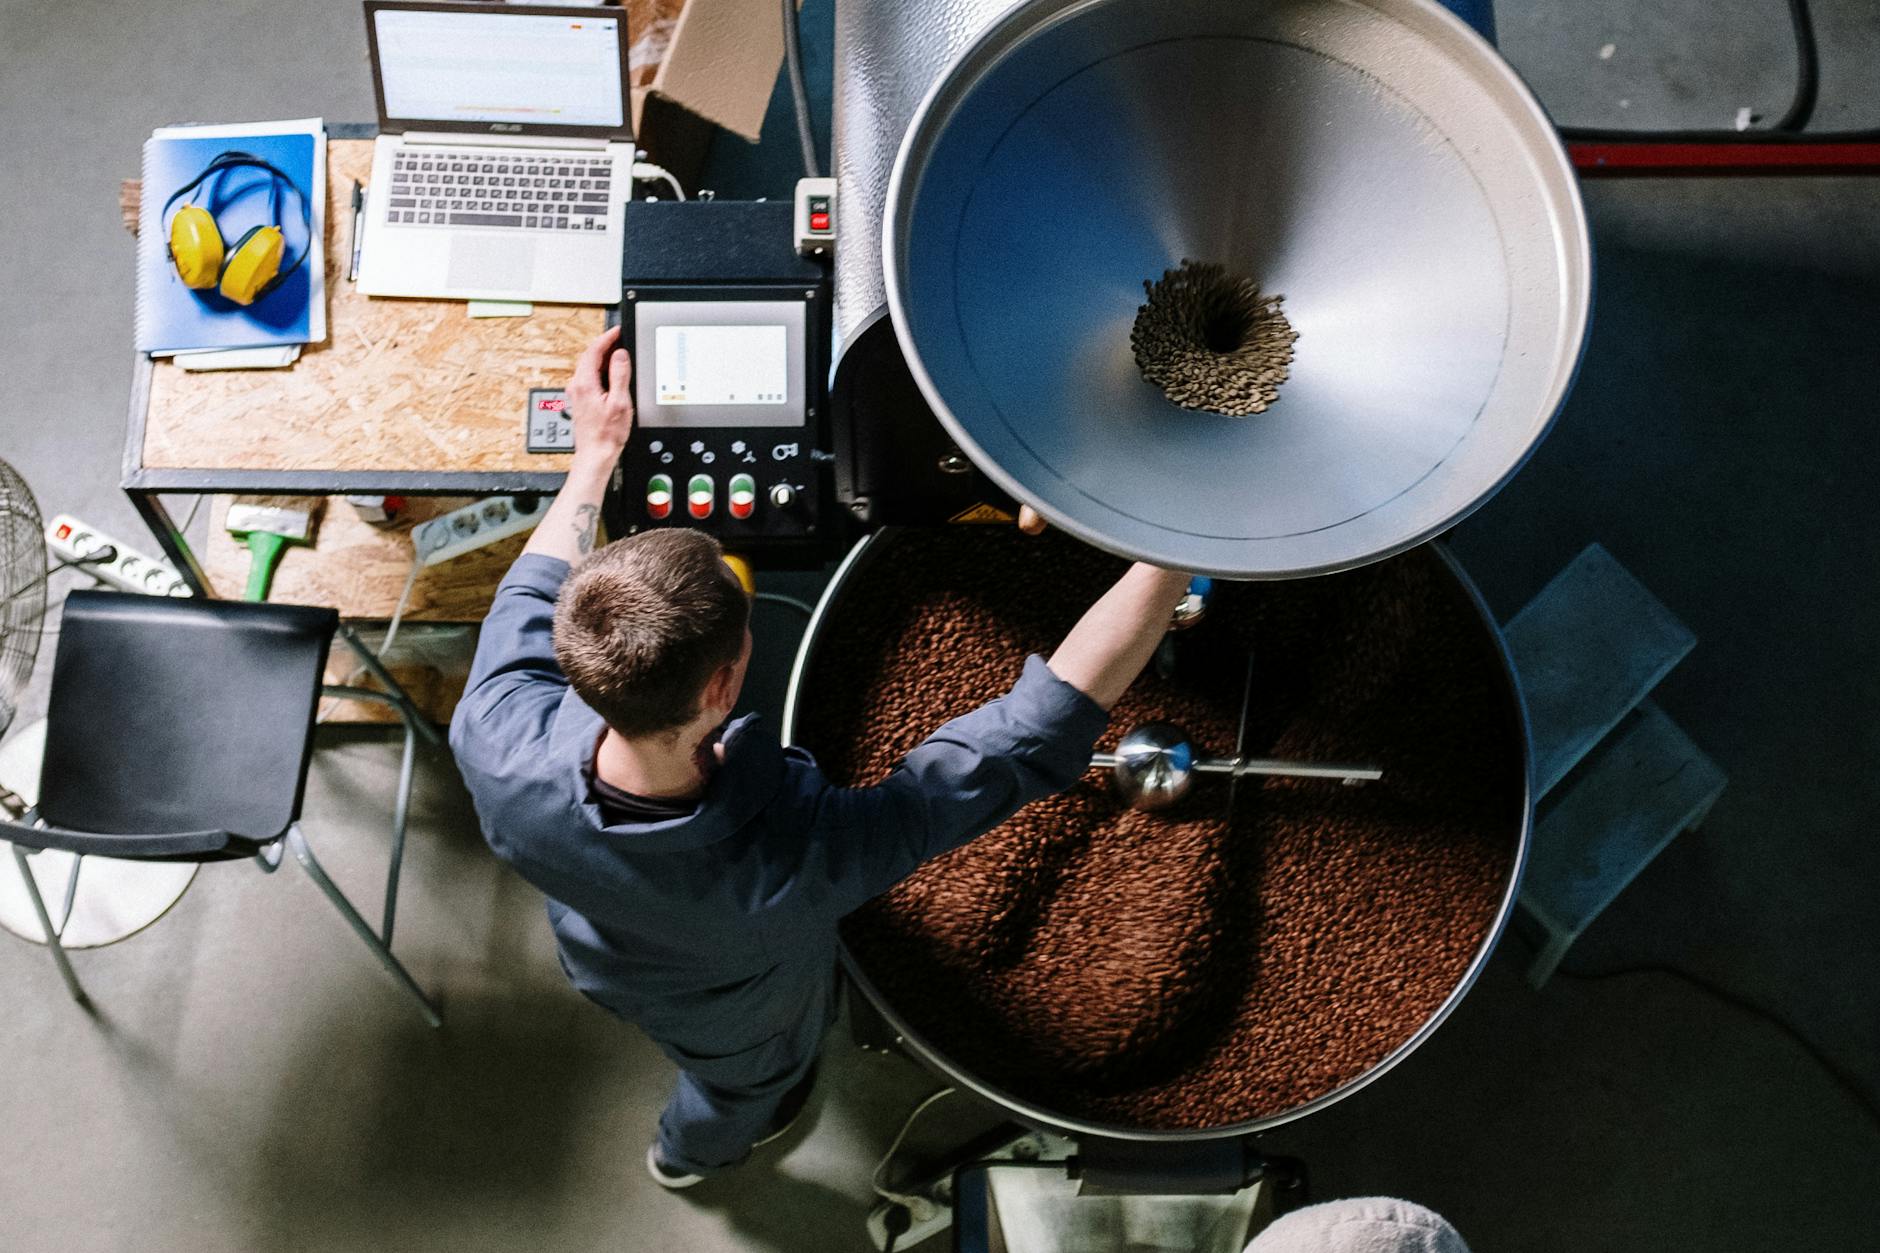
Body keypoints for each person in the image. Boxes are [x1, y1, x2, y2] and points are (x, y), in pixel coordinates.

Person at [449, 326, 1191, 1188]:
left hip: (602, 950)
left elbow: (535, 583)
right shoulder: (800, 860)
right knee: (744, 1084)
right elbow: (1026, 734)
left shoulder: (494, 733)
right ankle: (688, 1156)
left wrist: (598, 450)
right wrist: (1178, 552)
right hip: (737, 1009)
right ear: (727, 688)